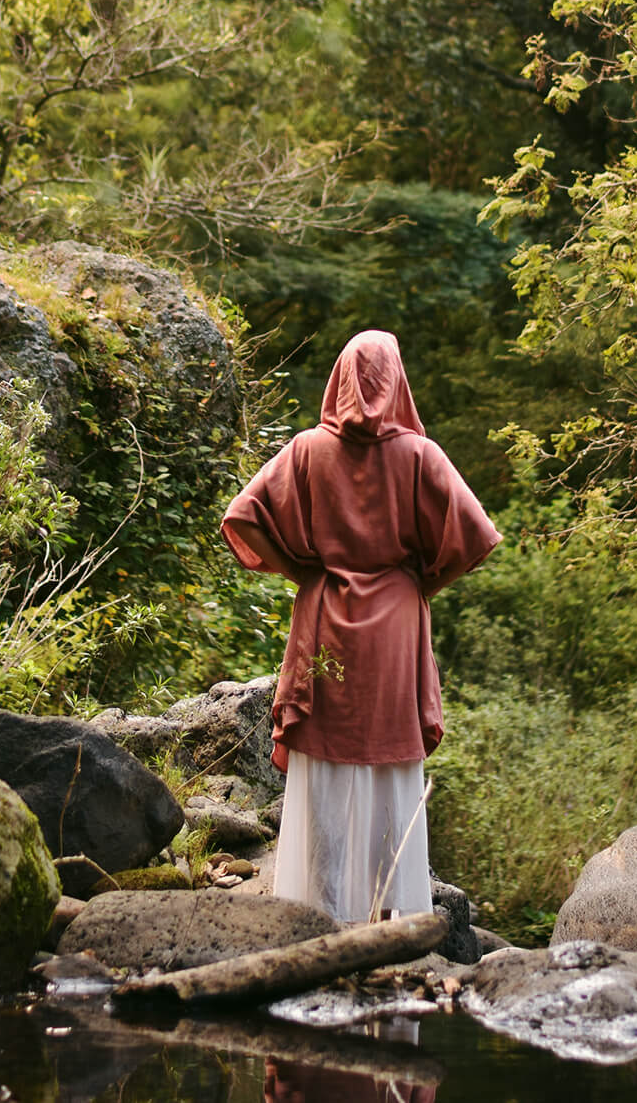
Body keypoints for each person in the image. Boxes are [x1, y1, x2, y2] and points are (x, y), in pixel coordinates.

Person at [220, 328, 500, 923]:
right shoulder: (421, 456)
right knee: (390, 763)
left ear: (339, 376)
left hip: (324, 614)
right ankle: (392, 918)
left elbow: (244, 515)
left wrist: (301, 566)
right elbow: (476, 536)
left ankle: (312, 917)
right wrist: (423, 582)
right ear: (397, 379)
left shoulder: (305, 451)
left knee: (324, 761)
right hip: (396, 627)